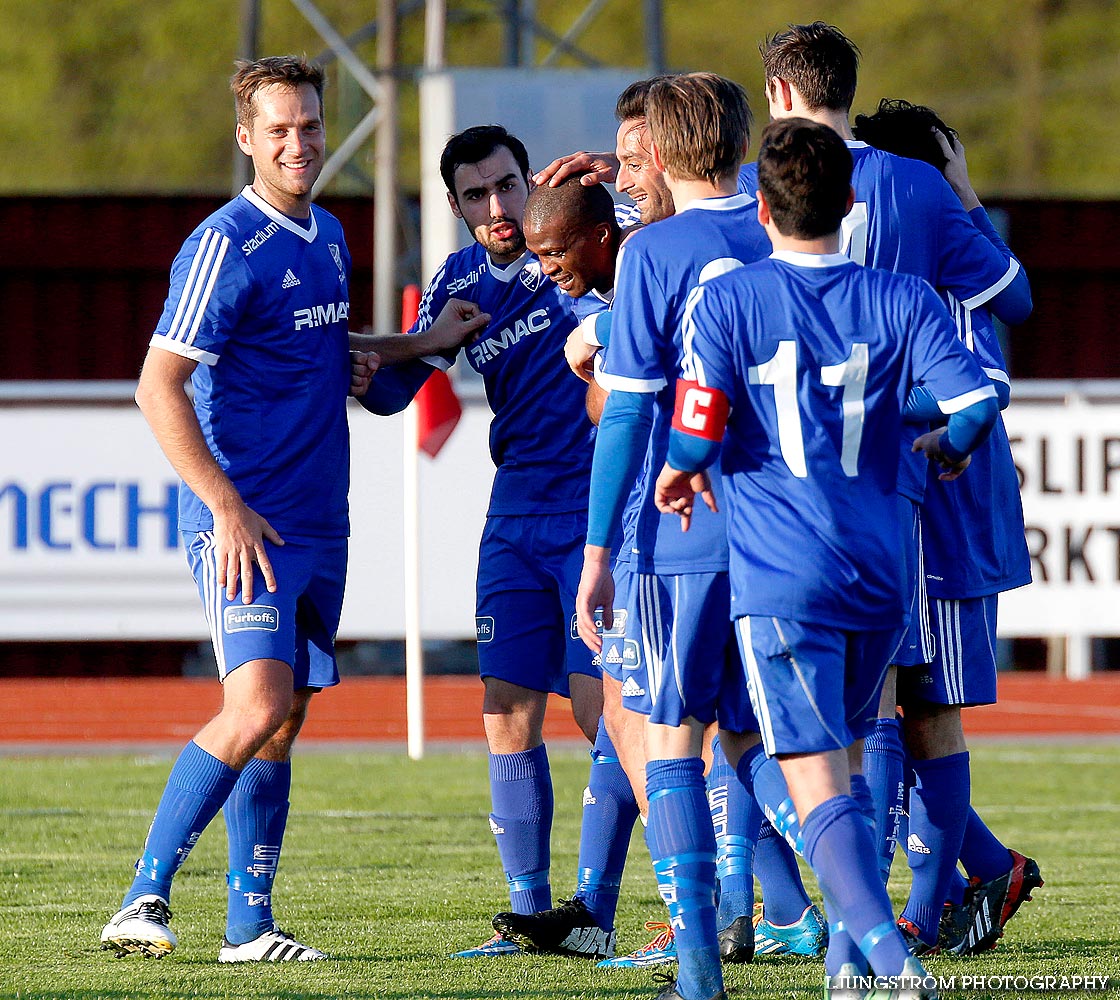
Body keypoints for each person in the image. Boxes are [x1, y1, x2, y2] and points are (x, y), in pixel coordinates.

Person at [98, 56, 485, 964]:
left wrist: (420, 345)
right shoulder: (225, 244)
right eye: (278, 129)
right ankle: (143, 897)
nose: (298, 142)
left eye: (309, 125)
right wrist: (224, 507)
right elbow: (160, 385)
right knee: (257, 701)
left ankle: (248, 927)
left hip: (321, 520)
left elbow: (320, 347)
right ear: (247, 138)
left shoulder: (329, 237)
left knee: (284, 717)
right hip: (250, 521)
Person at [655, 116, 1000, 1000]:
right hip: (883, 570)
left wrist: (681, 476)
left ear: (761, 209)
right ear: (849, 203)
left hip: (782, 572)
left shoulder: (728, 299)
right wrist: (950, 444)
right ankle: (846, 973)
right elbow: (976, 399)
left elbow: (696, 426)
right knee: (849, 766)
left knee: (815, 785)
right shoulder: (902, 299)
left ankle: (890, 961)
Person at [741, 25, 1034, 956]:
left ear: (782, 91)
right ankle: (911, 907)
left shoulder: (770, 187)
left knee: (868, 714)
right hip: (904, 480)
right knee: (913, 707)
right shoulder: (915, 187)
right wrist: (961, 191)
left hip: (815, 499)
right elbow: (1012, 302)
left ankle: (896, 918)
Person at [359, 125, 618, 962]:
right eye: (478, 195)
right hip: (513, 517)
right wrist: (377, 360)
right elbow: (397, 394)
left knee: (602, 714)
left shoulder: (582, 245)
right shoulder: (461, 278)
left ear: (527, 176)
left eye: (508, 185)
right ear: (456, 206)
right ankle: (528, 917)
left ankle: (597, 910)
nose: (499, 208)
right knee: (505, 716)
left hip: (593, 513)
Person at [570, 72, 775, 1000]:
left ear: (661, 148)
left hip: (681, 531)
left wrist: (597, 554)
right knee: (784, 743)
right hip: (784, 528)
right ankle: (858, 936)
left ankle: (697, 966)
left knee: (671, 737)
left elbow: (624, 416)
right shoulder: (783, 226)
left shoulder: (655, 252)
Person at [852, 98, 1042, 955]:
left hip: (949, 510)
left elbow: (986, 380)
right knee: (882, 707)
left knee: (923, 710)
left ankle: (918, 915)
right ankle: (988, 868)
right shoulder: (881, 280)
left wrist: (868, 397)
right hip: (890, 505)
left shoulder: (947, 285)